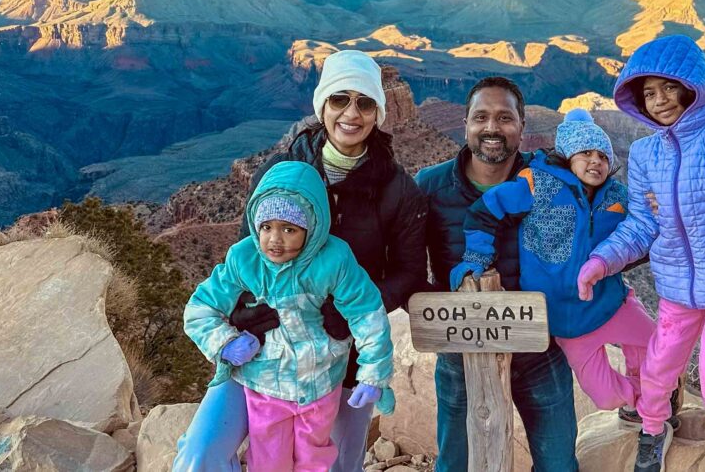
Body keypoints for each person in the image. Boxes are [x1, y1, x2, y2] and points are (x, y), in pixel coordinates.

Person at [174, 50, 428, 472]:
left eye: (365, 103)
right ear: (322, 104)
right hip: (262, 354)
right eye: (339, 99)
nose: (351, 114)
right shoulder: (281, 170)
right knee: (200, 455)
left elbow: (409, 275)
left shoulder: (398, 190)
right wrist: (241, 315)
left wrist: (351, 315)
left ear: (379, 112)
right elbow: (246, 255)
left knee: (336, 465)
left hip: (340, 361)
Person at [578, 34, 705, 472]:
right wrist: (601, 261)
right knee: (658, 366)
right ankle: (654, 427)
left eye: (669, 87)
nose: (659, 101)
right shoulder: (645, 153)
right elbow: (642, 224)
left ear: (693, 86)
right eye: (648, 93)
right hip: (676, 288)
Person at [449, 108, 659, 428]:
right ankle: (641, 400)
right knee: (605, 397)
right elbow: (486, 209)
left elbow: (642, 233)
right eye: (585, 153)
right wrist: (476, 257)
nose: (595, 161)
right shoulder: (538, 183)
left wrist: (658, 212)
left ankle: (652, 407)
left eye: (603, 156)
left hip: (612, 302)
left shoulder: (618, 197)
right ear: (567, 156)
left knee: (659, 350)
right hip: (566, 320)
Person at [184, 160, 396, 471]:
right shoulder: (245, 259)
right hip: (265, 380)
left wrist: (373, 373)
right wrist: (225, 343)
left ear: (312, 227)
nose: (275, 239)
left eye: (289, 229)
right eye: (266, 227)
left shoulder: (334, 259)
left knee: (314, 458)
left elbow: (368, 315)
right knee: (268, 459)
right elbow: (200, 307)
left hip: (319, 381)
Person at [419, 76, 579, 472]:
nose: (492, 127)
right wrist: (435, 315)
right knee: (455, 463)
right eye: (481, 117)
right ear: (465, 125)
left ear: (522, 126)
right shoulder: (430, 186)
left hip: (540, 350)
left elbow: (599, 231)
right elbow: (404, 261)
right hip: (460, 350)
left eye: (505, 118)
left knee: (559, 464)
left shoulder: (551, 184)